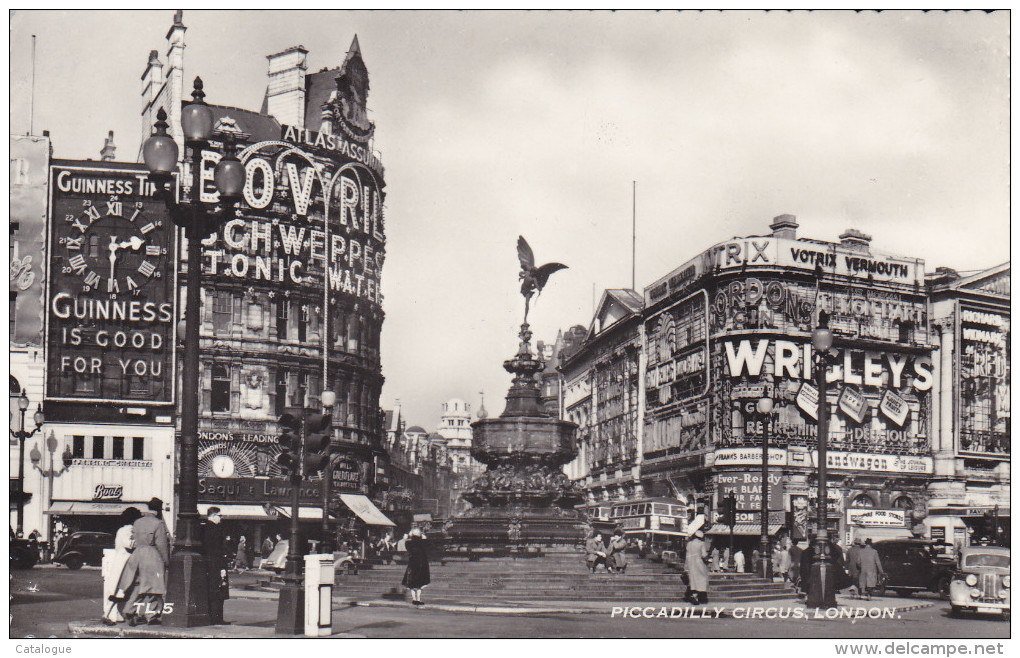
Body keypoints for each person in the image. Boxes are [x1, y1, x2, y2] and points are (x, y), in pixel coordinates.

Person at [114, 497, 170, 625]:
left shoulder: (138, 522)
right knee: (155, 588)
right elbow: (161, 545)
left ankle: (129, 608)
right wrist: (166, 561)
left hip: (137, 555)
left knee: (138, 586)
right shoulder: (158, 524)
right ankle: (152, 615)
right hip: (152, 555)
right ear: (159, 509)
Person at [102, 507, 142, 625]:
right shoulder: (129, 530)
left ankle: (113, 614)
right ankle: (107, 614)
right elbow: (129, 544)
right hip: (125, 563)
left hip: (119, 561)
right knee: (122, 590)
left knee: (117, 590)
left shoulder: (121, 529)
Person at [202, 507, 230, 625]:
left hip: (207, 564)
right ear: (213, 516)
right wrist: (223, 567)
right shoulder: (216, 530)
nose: (221, 518)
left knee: (211, 591)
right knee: (219, 590)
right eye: (220, 515)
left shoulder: (203, 528)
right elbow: (219, 550)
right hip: (217, 564)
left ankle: (212, 617)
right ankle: (217, 618)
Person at [401, 527, 430, 606]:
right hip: (422, 563)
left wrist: (407, 537)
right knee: (420, 582)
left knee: (412, 582)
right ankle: (418, 599)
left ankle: (414, 599)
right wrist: (424, 538)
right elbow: (428, 546)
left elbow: (406, 544)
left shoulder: (409, 543)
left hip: (412, 563)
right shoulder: (422, 542)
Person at [685, 518, 710, 605]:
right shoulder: (701, 544)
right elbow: (704, 555)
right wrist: (707, 559)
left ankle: (694, 595)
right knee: (702, 579)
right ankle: (699, 597)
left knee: (693, 580)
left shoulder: (689, 544)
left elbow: (687, 554)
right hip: (699, 563)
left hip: (690, 563)